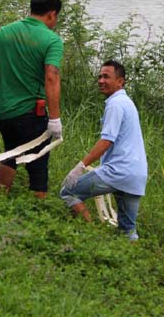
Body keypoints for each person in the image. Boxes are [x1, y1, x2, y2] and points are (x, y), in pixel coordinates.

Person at [0, 0, 64, 199]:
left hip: (5, 114)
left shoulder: (5, 32)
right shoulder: (52, 41)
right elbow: (51, 77)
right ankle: (39, 215)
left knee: (11, 153)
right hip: (31, 114)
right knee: (38, 164)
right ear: (52, 14)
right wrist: (54, 118)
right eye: (56, 17)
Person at [60, 60, 148, 241]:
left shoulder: (115, 104)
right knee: (128, 230)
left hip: (118, 171)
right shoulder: (126, 102)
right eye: (100, 76)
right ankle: (129, 260)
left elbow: (107, 140)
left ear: (120, 81)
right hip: (136, 174)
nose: (101, 80)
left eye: (106, 77)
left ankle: (90, 236)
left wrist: (81, 166)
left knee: (68, 192)